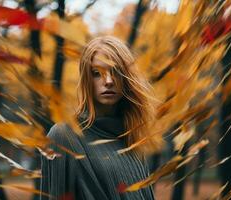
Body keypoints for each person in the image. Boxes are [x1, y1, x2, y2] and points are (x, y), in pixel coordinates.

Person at [40, 36, 162, 200]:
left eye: (116, 72)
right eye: (97, 73)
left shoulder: (131, 139)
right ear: (86, 79)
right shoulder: (64, 136)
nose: (108, 81)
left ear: (126, 78)